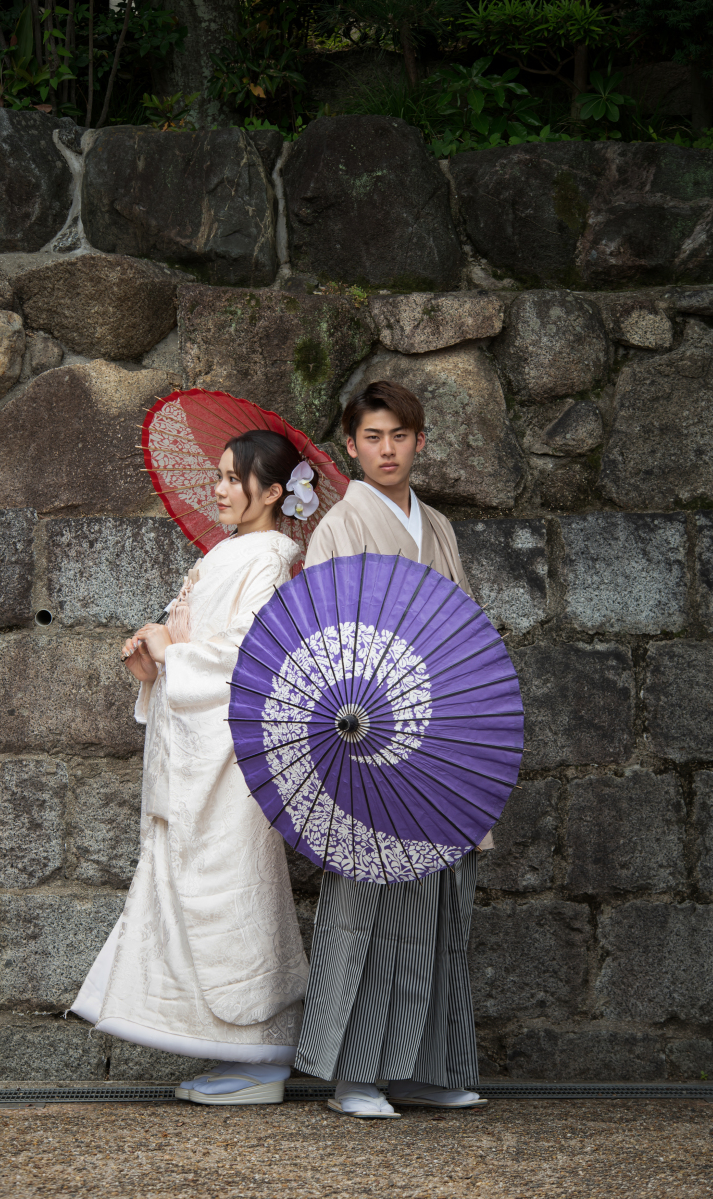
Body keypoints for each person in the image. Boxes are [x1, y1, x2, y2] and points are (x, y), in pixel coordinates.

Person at [72, 430, 313, 1106]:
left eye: (236, 479)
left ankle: (261, 1053)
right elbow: (193, 639)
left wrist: (172, 652)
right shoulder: (227, 552)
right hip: (196, 746)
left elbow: (250, 652)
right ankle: (232, 1049)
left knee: (237, 890)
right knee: (193, 890)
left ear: (273, 492)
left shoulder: (271, 557)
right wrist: (154, 659)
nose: (220, 488)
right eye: (219, 475)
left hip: (230, 756)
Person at [294, 380, 493, 1119]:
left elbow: (467, 627)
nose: (386, 449)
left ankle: (423, 1065)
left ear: (418, 441)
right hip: (369, 738)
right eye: (372, 436)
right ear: (350, 445)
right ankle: (354, 1074)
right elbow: (323, 636)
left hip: (440, 738)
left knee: (439, 906)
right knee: (366, 904)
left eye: (399, 435)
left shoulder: (436, 524)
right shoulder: (339, 527)